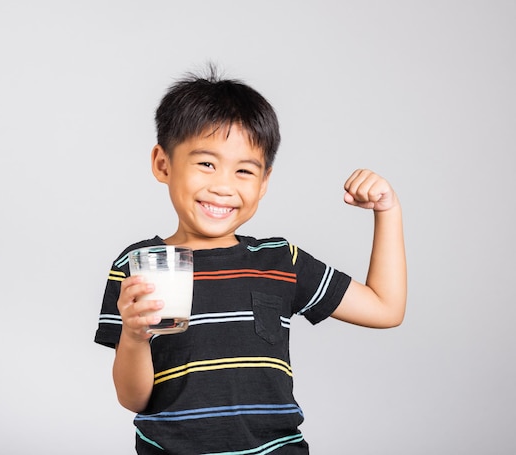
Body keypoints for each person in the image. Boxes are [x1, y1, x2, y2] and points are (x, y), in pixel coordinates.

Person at [94, 66, 407, 454]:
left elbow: (386, 308)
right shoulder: (141, 264)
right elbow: (134, 400)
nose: (223, 186)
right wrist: (135, 337)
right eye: (206, 163)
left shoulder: (280, 261)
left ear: (264, 183)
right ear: (163, 164)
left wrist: (387, 212)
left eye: (244, 170)